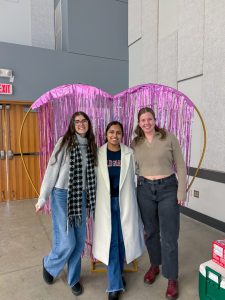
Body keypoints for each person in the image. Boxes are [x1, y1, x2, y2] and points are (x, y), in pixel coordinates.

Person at [35, 111, 97, 296]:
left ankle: (74, 279)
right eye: (77, 121)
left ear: (88, 124)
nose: (80, 124)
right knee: (67, 241)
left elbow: (94, 176)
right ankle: (49, 264)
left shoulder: (93, 146)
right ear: (72, 124)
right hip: (62, 195)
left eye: (84, 121)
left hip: (82, 196)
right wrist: (42, 197)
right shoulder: (64, 142)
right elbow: (52, 169)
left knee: (78, 243)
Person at [132, 107, 187, 300]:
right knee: (151, 232)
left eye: (149, 119)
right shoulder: (135, 143)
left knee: (169, 235)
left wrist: (182, 191)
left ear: (155, 120)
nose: (146, 122)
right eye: (142, 120)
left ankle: (171, 277)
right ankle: (155, 265)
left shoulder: (169, 138)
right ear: (139, 123)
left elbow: (180, 165)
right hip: (144, 189)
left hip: (168, 189)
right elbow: (132, 169)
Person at [92, 121, 145, 300]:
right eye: (111, 132)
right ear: (106, 134)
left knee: (123, 241)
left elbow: (137, 176)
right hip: (106, 205)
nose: (115, 136)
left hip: (125, 204)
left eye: (118, 133)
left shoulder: (129, 153)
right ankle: (114, 285)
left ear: (122, 135)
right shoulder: (98, 153)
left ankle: (119, 274)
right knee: (111, 242)